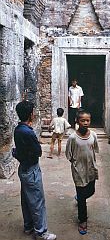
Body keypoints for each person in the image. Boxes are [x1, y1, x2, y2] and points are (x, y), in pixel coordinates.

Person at [13, 100, 56, 240]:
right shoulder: (28, 132)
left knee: (26, 199)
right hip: (31, 170)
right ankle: (41, 232)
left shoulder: (18, 129)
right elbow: (38, 152)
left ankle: (28, 226)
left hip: (23, 168)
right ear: (31, 114)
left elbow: (19, 151)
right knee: (37, 201)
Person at [65, 110, 99, 235]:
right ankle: (82, 221)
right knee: (82, 197)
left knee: (91, 191)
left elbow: (94, 149)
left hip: (91, 169)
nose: (85, 123)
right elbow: (69, 154)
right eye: (82, 120)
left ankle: (79, 198)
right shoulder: (73, 137)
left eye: (87, 120)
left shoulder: (93, 135)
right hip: (79, 171)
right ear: (77, 121)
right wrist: (76, 165)